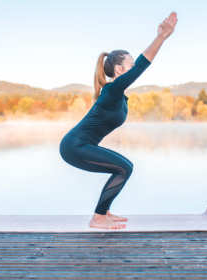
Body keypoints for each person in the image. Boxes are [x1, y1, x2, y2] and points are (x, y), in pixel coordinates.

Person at [59, 12, 178, 229]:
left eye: (132, 66)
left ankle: (103, 212)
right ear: (119, 70)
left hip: (78, 145)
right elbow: (143, 64)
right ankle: (98, 218)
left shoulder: (118, 95)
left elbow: (138, 66)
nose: (133, 69)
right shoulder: (112, 89)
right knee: (123, 168)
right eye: (130, 66)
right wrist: (161, 37)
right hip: (73, 146)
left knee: (126, 167)